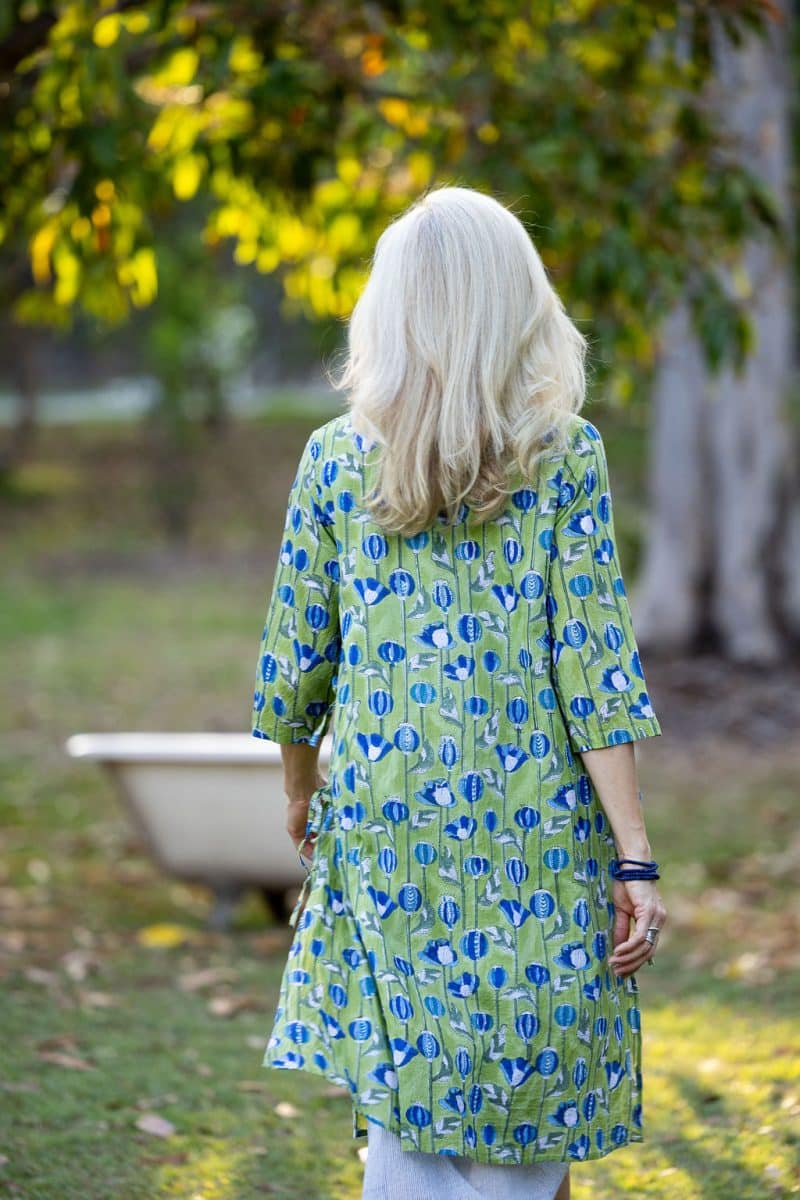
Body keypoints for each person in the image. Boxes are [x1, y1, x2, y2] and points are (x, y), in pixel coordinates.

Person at [251, 185, 668, 1200]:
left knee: (411, 1078)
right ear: (514, 305)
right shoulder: (562, 458)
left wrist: (301, 792)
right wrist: (633, 852)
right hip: (533, 824)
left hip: (388, 820)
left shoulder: (336, 461)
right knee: (534, 1082)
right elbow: (594, 668)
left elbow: (295, 665)